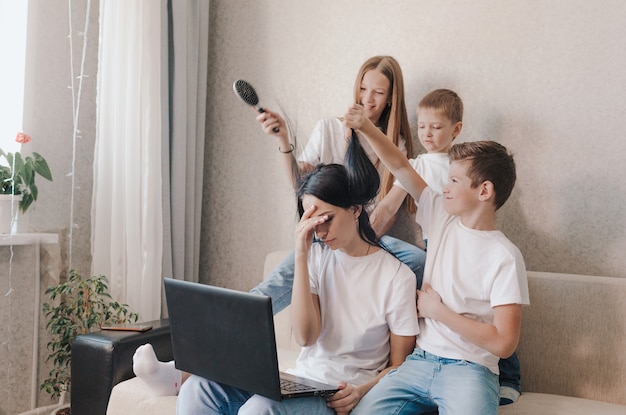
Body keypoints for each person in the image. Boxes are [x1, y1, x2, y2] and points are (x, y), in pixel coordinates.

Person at [176, 134, 420, 414]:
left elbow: (401, 365)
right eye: (312, 221)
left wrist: (361, 391)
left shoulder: (396, 276)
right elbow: (306, 337)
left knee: (258, 410)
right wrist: (301, 254)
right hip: (302, 380)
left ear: (355, 210)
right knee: (198, 389)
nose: (320, 231)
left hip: (337, 393)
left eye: (326, 219)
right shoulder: (316, 257)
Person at [344, 105, 529, 414]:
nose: (445, 187)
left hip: (471, 370)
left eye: (454, 181)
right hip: (419, 362)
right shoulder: (439, 216)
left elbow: (503, 343)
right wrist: (366, 127)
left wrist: (438, 312)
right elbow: (400, 166)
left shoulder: (505, 257)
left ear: (484, 191)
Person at [251, 55, 426, 314]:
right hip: (324, 233)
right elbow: (300, 184)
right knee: (269, 291)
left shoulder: (395, 147)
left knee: (419, 261)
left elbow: (386, 212)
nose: (367, 98)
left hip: (367, 238)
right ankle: (224, 333)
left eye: (378, 92)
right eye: (363, 89)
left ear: (391, 98)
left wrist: (355, 245)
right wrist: (284, 140)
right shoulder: (329, 129)